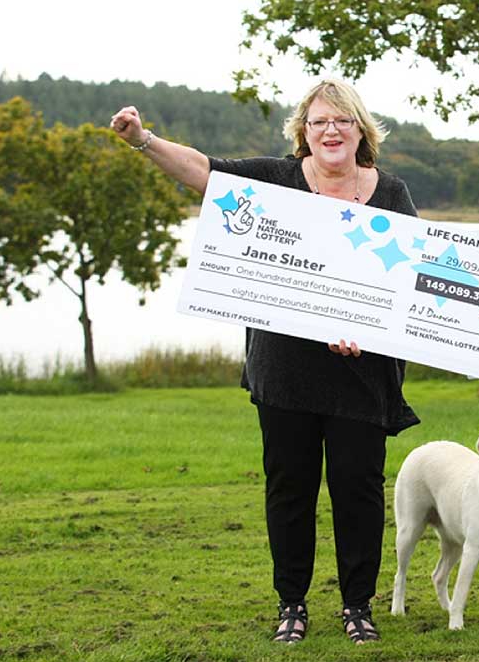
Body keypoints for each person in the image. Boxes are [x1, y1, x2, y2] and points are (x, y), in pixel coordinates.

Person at [110, 79, 420, 645]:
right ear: (303, 131)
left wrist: (367, 333)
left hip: (361, 374)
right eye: (319, 121)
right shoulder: (273, 181)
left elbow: (409, 286)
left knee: (358, 490)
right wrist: (143, 139)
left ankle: (358, 607)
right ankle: (292, 606)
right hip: (286, 372)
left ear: (361, 131)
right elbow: (203, 172)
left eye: (342, 121)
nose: (331, 130)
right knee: (290, 488)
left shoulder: (391, 193)